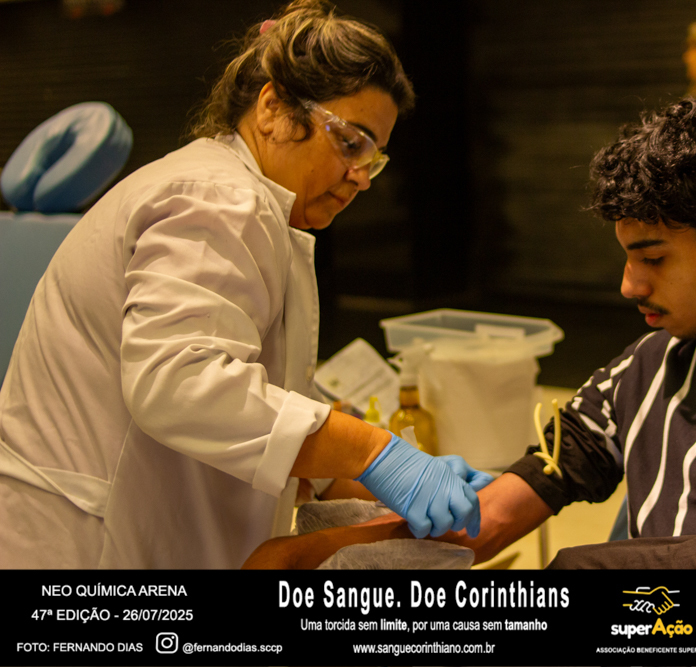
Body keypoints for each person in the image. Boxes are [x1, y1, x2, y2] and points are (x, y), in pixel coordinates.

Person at [243, 93, 696, 570]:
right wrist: (311, 555)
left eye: (653, 258)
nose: (629, 286)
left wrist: (591, 570)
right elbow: (496, 512)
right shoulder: (652, 363)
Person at [0, 0, 490, 569]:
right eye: (350, 142)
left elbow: (254, 391)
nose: (361, 177)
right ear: (273, 108)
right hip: (83, 547)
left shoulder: (242, 202)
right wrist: (376, 454)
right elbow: (180, 380)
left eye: (374, 158)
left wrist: (357, 472)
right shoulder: (218, 199)